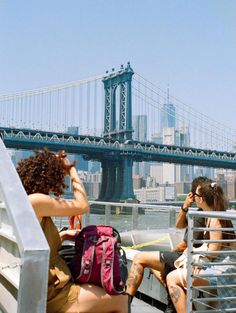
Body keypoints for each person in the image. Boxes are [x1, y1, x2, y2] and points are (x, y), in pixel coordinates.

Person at [16, 150, 129, 313]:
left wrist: (62, 235)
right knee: (121, 299)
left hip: (44, 286)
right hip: (55, 294)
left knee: (97, 288)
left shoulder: (25, 201)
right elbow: (82, 205)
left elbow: (34, 243)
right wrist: (71, 170)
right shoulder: (36, 201)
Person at [126, 176, 211, 313]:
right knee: (155, 267)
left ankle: (125, 303)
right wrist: (185, 207)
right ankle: (172, 305)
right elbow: (179, 225)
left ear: (197, 195)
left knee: (139, 258)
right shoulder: (200, 212)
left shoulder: (200, 216)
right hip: (189, 256)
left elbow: (186, 244)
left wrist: (174, 250)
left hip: (188, 257)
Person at [166, 181, 236, 312]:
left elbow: (213, 252)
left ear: (202, 199)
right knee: (175, 276)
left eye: (196, 194)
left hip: (223, 271)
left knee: (172, 278)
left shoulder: (214, 218)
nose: (194, 197)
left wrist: (196, 258)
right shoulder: (212, 214)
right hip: (219, 265)